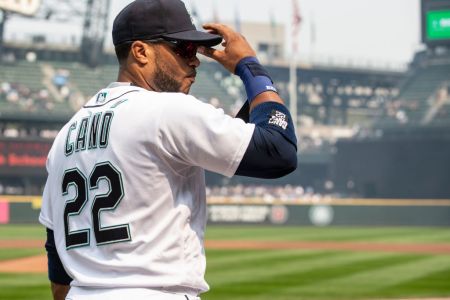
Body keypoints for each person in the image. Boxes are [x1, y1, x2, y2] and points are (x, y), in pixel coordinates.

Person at [39, 0, 297, 299]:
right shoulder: (166, 110)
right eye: (183, 49)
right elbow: (279, 151)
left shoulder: (66, 135)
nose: (195, 60)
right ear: (141, 52)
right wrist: (250, 67)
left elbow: (57, 263)